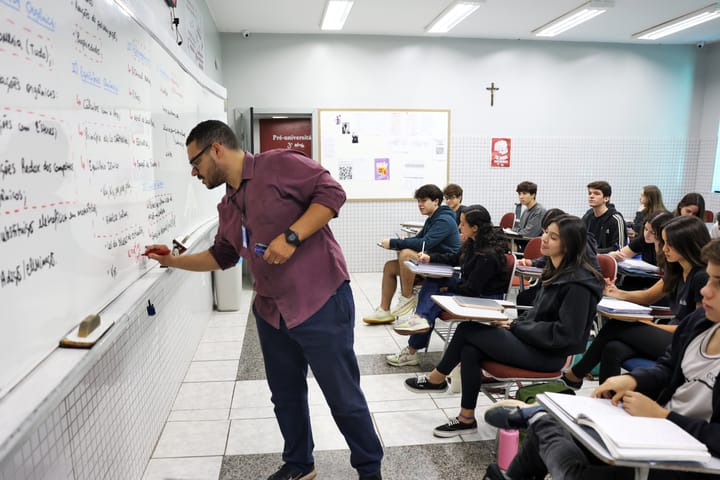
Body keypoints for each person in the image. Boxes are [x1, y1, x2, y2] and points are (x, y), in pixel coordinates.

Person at [145, 120, 383, 480]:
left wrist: (291, 237)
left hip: (319, 301)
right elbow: (223, 256)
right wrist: (171, 260)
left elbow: (332, 194)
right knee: (285, 397)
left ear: (216, 149)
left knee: (343, 397)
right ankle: (300, 464)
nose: (194, 172)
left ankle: (369, 469)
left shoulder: (280, 164)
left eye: (195, 162)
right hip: (272, 313)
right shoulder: (228, 204)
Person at [483, 238, 720, 480]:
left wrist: (663, 416)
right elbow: (667, 369)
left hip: (691, 452)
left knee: (573, 469)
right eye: (709, 279)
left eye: (717, 283)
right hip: (658, 432)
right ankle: (542, 426)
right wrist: (633, 382)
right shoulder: (700, 324)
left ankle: (541, 419)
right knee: (572, 424)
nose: (705, 290)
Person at [403, 215, 604, 437]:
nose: (544, 239)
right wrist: (513, 325)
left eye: (553, 237)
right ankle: (466, 418)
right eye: (546, 232)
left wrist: (516, 326)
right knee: (470, 349)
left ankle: (437, 377)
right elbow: (538, 316)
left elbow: (566, 335)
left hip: (550, 354)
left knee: (468, 329)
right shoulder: (557, 270)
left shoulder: (578, 284)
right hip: (533, 341)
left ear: (569, 245)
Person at [563, 215, 711, 386]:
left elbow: (696, 330)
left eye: (670, 244)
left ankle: (574, 375)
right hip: (671, 336)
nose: (665, 249)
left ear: (688, 245)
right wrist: (616, 293)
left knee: (617, 325)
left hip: (686, 342)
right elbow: (648, 296)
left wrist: (649, 325)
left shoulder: (702, 277)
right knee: (613, 348)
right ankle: (606, 399)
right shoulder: (677, 270)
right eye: (663, 243)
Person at [385, 205, 510, 367]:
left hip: (485, 297)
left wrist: (447, 290)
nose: (459, 227)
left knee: (434, 299)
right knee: (433, 279)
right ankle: (420, 319)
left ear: (475, 228)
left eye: (463, 224)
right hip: (471, 287)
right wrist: (430, 258)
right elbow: (454, 258)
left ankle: (413, 346)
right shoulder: (473, 242)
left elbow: (472, 289)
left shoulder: (488, 255)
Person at [363, 184, 461, 324]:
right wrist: (401, 241)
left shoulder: (444, 220)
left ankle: (407, 297)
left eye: (424, 200)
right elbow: (418, 239)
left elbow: (424, 243)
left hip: (446, 265)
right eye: (418, 201)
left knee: (407, 254)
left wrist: (393, 243)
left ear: (436, 201)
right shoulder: (433, 218)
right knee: (390, 267)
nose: (420, 204)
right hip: (432, 261)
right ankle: (384, 310)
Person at [610, 211, 673, 291]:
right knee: (629, 282)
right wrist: (612, 255)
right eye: (646, 229)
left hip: (663, 285)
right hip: (645, 280)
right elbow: (622, 254)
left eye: (653, 232)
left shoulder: (671, 247)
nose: (646, 234)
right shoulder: (643, 240)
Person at [582, 180, 627, 253]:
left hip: (608, 260)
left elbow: (620, 249)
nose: (591, 196)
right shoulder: (587, 216)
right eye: (590, 193)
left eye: (596, 194)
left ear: (606, 198)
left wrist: (592, 252)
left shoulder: (615, 219)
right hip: (589, 258)